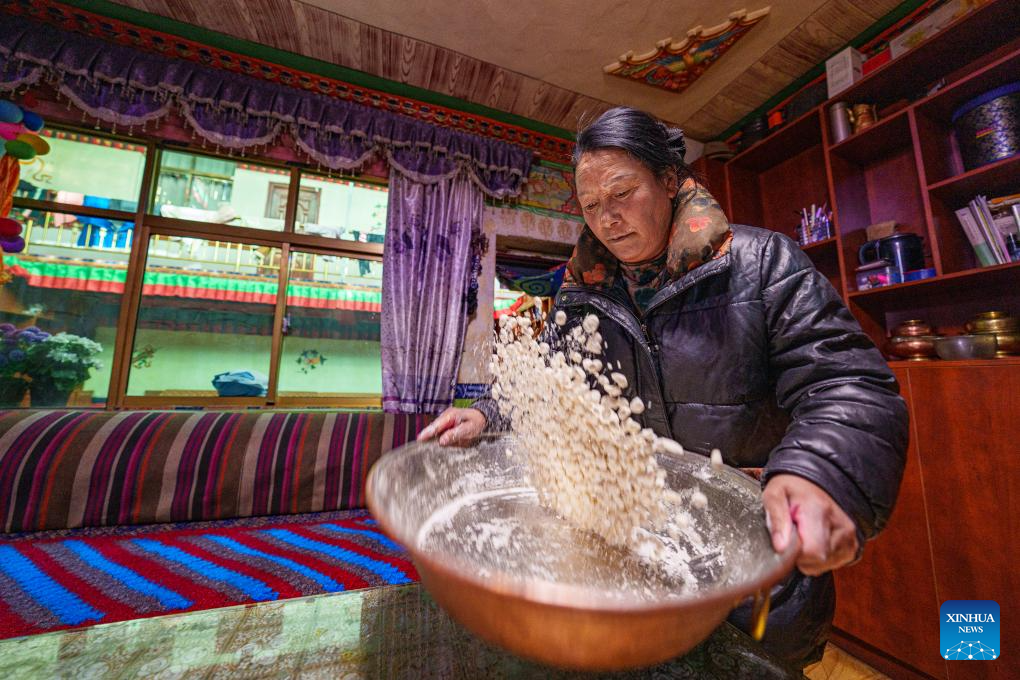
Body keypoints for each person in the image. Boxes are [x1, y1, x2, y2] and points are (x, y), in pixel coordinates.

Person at [417, 106, 908, 668]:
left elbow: (846, 380)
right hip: (636, 557)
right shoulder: (581, 296)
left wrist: (820, 470)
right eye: (592, 205)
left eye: (622, 193)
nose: (607, 218)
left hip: (751, 572)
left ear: (670, 181)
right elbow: (549, 381)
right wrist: (486, 415)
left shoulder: (762, 264)